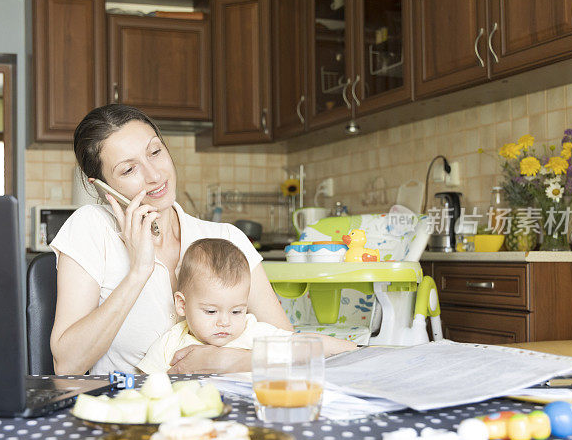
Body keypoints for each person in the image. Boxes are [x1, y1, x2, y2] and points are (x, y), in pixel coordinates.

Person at [49, 104, 293, 375]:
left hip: (219, 409)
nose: (154, 175)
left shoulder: (226, 237)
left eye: (155, 152)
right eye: (129, 169)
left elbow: (291, 350)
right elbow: (67, 365)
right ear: (102, 185)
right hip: (130, 409)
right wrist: (138, 272)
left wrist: (220, 360)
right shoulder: (91, 229)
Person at [137, 238, 356, 374]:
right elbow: (144, 384)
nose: (225, 321)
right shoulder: (171, 343)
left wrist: (356, 350)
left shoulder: (254, 331)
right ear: (182, 305)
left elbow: (307, 344)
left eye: (236, 311)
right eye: (211, 311)